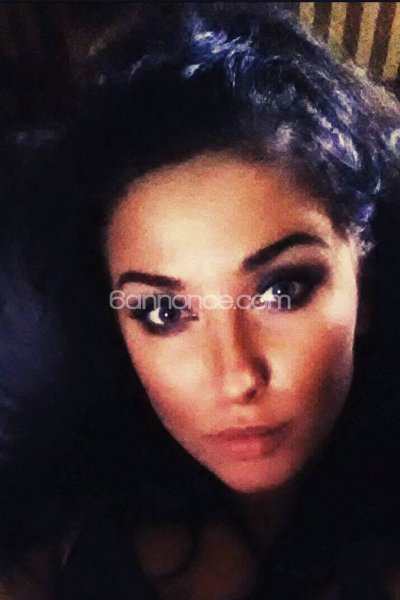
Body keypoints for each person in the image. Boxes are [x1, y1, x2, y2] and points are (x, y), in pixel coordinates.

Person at [42, 3, 400, 599]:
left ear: (364, 274)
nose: (235, 376)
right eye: (163, 312)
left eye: (282, 291)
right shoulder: (58, 519)